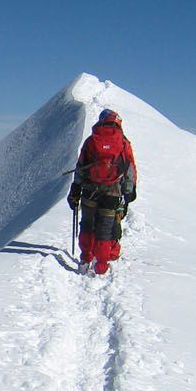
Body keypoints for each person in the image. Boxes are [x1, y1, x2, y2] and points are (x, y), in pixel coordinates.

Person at [67, 109, 138, 275]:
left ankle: (85, 259)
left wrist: (76, 189)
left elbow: (81, 167)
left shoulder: (92, 141)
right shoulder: (123, 143)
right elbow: (130, 170)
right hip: (112, 193)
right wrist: (128, 193)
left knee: (87, 225)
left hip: (89, 191)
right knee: (105, 230)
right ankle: (101, 267)